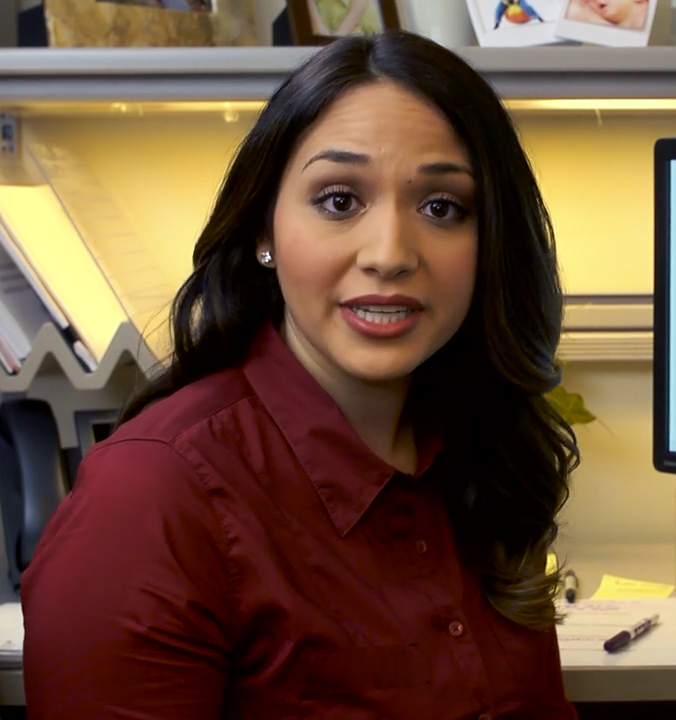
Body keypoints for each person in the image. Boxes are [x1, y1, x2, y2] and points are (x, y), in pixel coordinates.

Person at [21, 30, 580, 719]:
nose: (390, 254)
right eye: (340, 201)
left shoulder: (483, 453)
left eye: (441, 207)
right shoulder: (152, 499)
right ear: (263, 230)